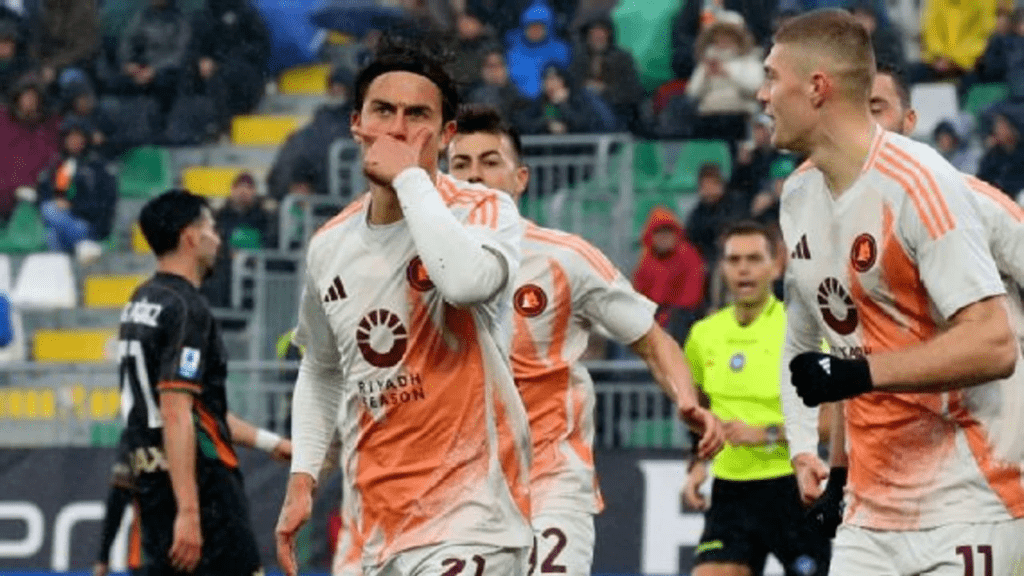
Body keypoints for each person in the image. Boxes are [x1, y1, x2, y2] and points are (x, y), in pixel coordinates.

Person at [762, 9, 1024, 575]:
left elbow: (994, 344)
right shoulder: (799, 196)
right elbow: (820, 345)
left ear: (817, 87)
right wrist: (820, 460)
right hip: (870, 513)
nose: (762, 96)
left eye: (771, 78)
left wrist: (859, 374)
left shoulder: (926, 185)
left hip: (969, 502)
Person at [275, 40, 534, 576]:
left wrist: (411, 177)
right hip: (379, 527)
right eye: (383, 111)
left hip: (475, 518)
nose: (397, 128)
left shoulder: (484, 209)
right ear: (356, 124)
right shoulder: (329, 246)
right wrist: (303, 478)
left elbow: (463, 283)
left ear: (445, 135)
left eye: (417, 115)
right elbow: (320, 368)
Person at [445, 104, 725, 576]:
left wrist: (685, 399)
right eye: (461, 164)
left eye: (490, 162)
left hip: (549, 479)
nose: (475, 176)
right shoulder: (417, 269)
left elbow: (653, 340)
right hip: (459, 485)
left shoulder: (565, 259)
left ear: (520, 178)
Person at [122, 189, 291, 576]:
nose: (218, 238)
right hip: (203, 486)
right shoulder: (187, 308)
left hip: (153, 485)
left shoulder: (141, 300)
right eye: (211, 228)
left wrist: (272, 443)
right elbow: (177, 412)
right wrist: (190, 510)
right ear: (191, 237)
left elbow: (200, 410)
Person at [682, 221, 831, 576]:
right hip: (730, 491)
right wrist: (698, 461)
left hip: (792, 488)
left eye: (753, 259)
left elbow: (830, 422)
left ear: (775, 266)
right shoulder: (703, 335)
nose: (743, 269)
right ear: (722, 267)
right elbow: (696, 409)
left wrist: (765, 433)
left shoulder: (802, 332)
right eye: (734, 260)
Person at [35, 117, 117, 264]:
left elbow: (103, 205)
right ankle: (63, 265)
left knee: (50, 211)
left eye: (78, 137)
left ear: (86, 140)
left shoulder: (97, 167)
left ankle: (84, 244)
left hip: (89, 225)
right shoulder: (60, 164)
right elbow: (49, 192)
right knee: (51, 233)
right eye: (70, 137)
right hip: (65, 221)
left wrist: (73, 206)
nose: (74, 141)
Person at [633, 206, 706, 344]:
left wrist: (663, 317)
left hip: (681, 315)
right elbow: (640, 294)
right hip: (654, 314)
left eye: (668, 232)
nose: (664, 237)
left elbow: (691, 298)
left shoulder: (689, 255)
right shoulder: (646, 260)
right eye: (659, 232)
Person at [92, 432, 144, 576]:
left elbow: (117, 500)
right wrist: (103, 555)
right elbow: (118, 499)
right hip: (148, 553)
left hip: (154, 552)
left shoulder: (136, 434)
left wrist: (103, 557)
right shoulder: (137, 435)